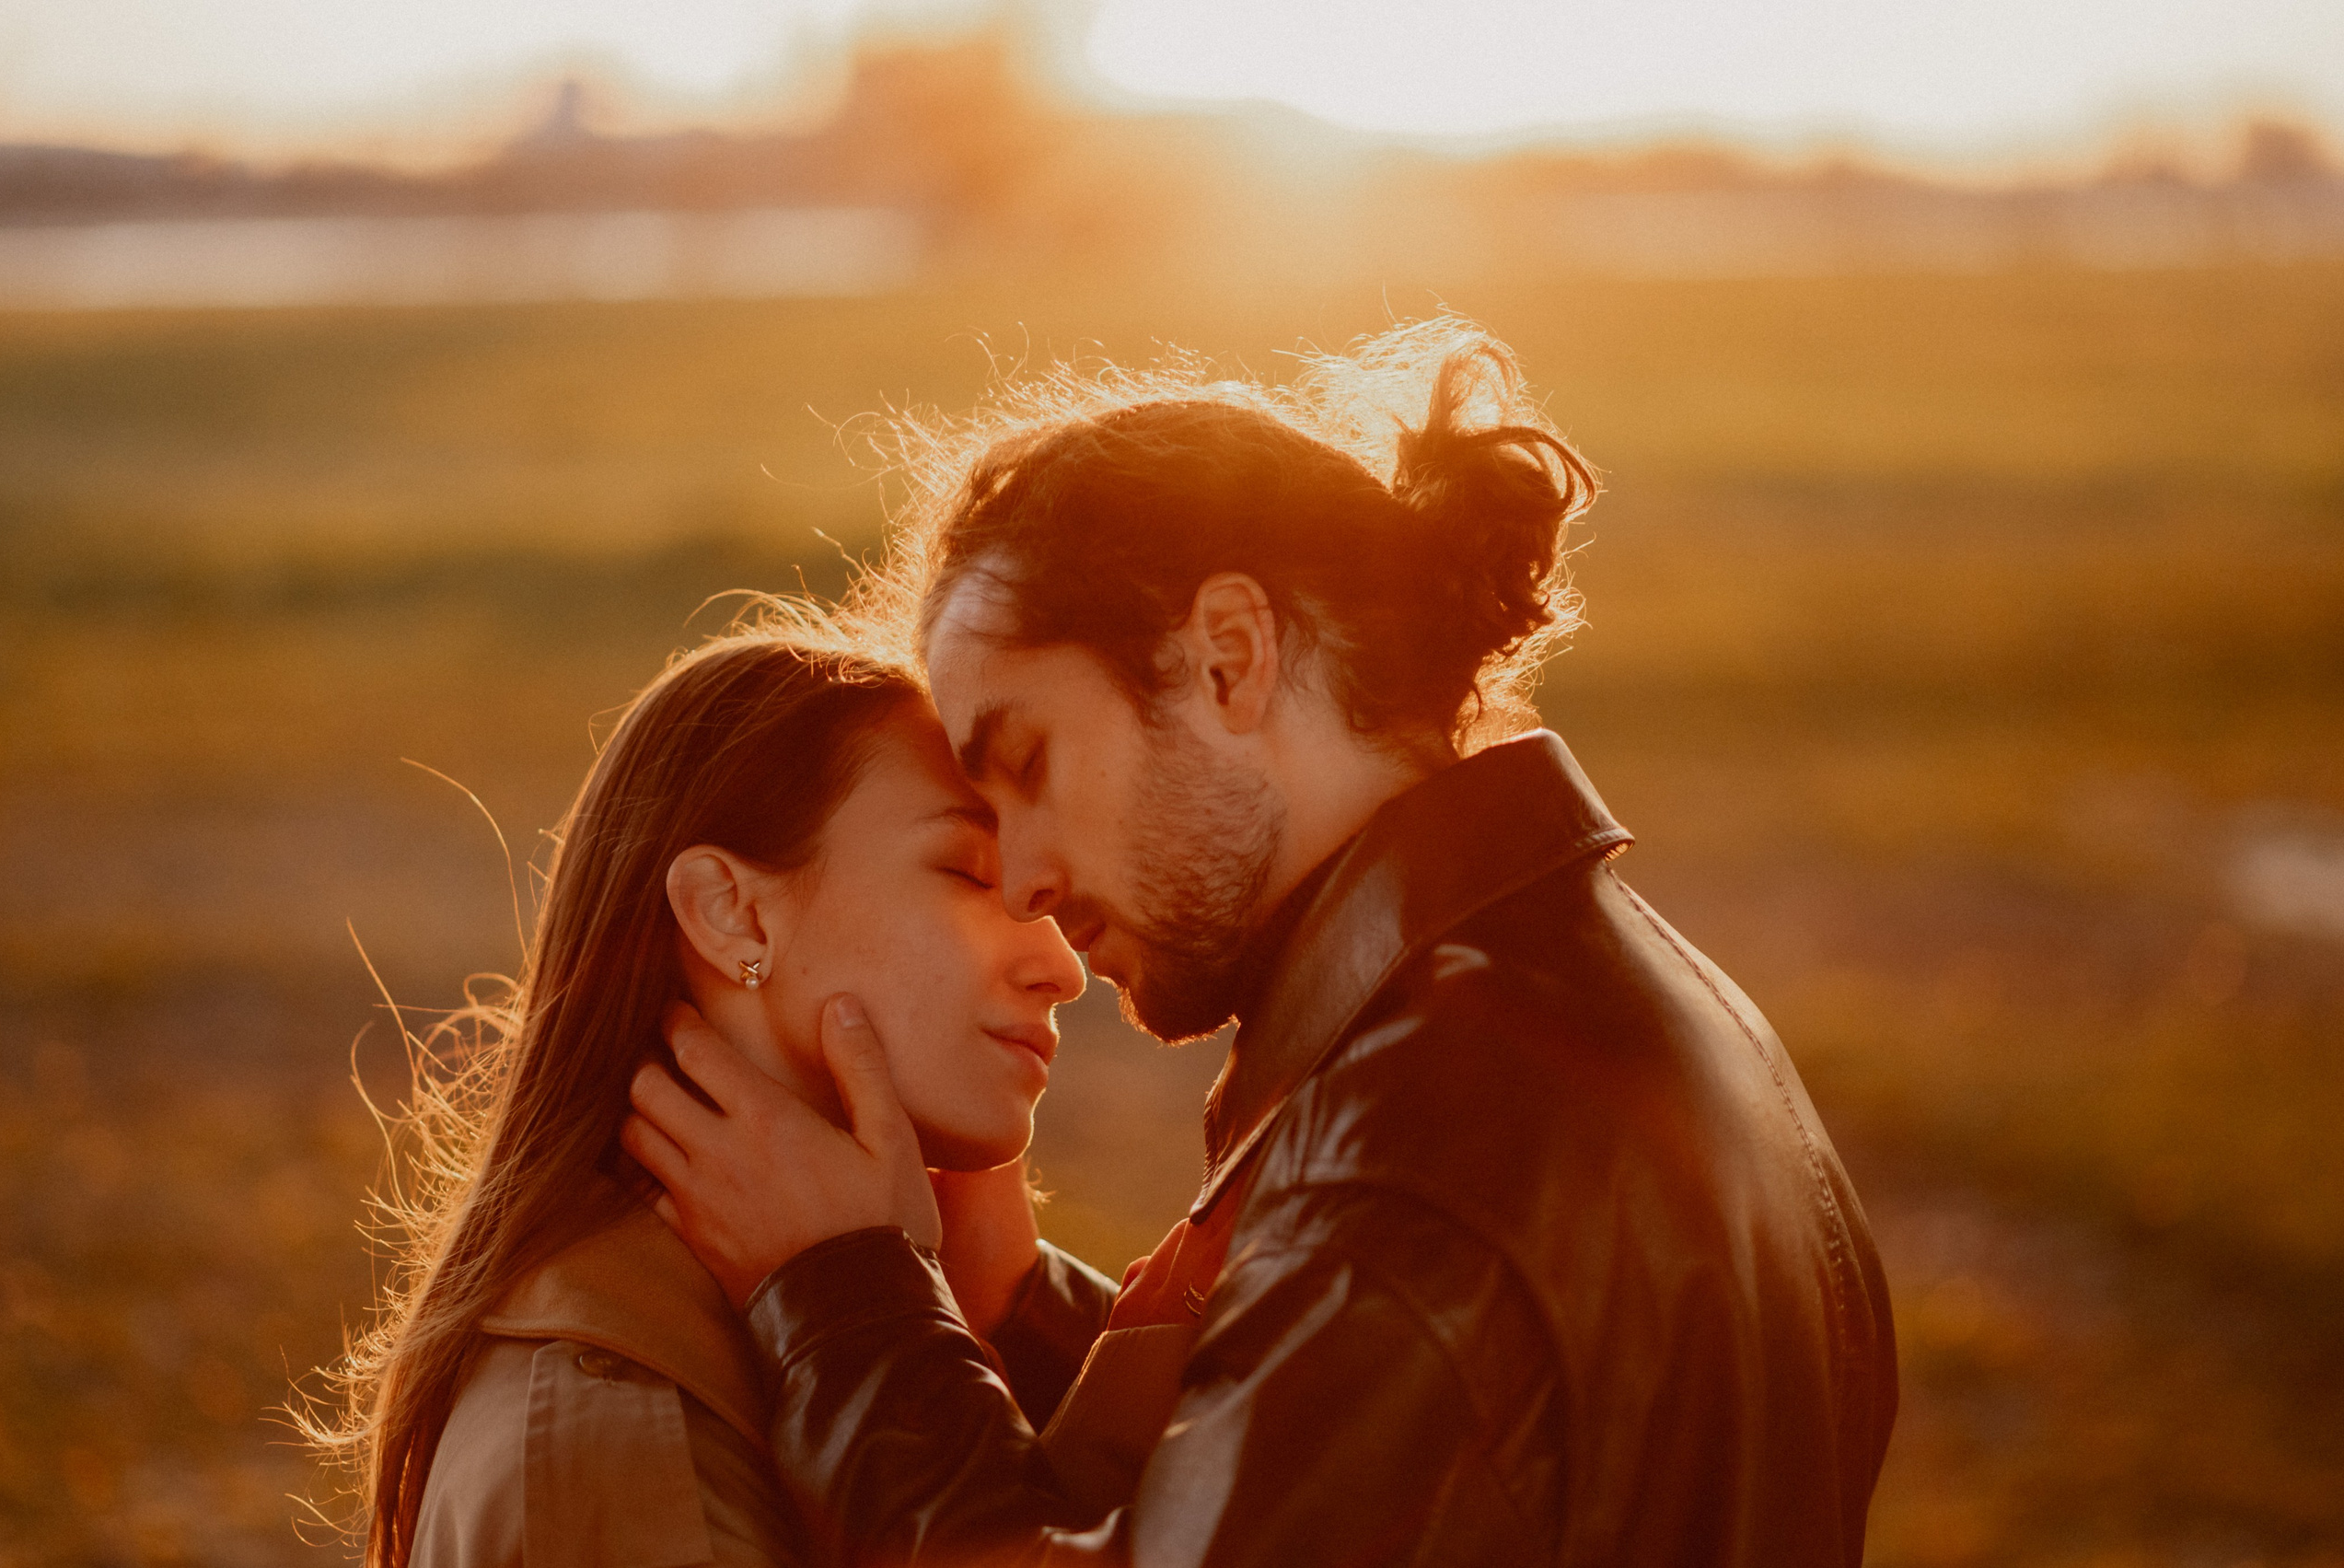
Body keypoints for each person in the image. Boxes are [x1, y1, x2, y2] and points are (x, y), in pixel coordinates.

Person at [624, 319, 1900, 1565]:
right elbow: (1345, 1464)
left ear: (1229, 655)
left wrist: (843, 1302)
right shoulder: (1603, 1006)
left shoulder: (1422, 1160)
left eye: (1027, 763)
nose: (1023, 881)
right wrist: (1013, 1308)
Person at [303, 616, 1111, 1568]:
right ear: (732, 911)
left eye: (1037, 889)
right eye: (969, 872)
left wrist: (1008, 1314)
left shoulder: (885, 1315)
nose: (1062, 965)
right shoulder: (614, 1444)